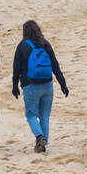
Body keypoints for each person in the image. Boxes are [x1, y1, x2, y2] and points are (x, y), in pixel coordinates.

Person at [11, 20, 68, 153]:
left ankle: (39, 137)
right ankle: (43, 143)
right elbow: (55, 65)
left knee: (31, 116)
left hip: (30, 85)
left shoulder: (22, 46)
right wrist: (62, 84)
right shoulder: (45, 44)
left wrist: (15, 86)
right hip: (48, 84)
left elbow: (16, 68)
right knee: (44, 116)